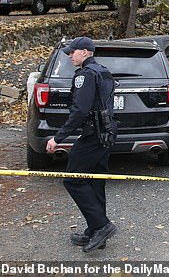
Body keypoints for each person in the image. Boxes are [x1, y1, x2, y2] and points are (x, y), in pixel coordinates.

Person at [45, 36, 117, 252]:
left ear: (85, 52)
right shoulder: (102, 71)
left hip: (93, 135)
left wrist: (58, 138)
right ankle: (96, 232)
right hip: (105, 133)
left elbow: (80, 110)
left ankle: (102, 226)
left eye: (72, 52)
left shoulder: (85, 75)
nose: (69, 56)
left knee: (73, 180)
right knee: (95, 181)